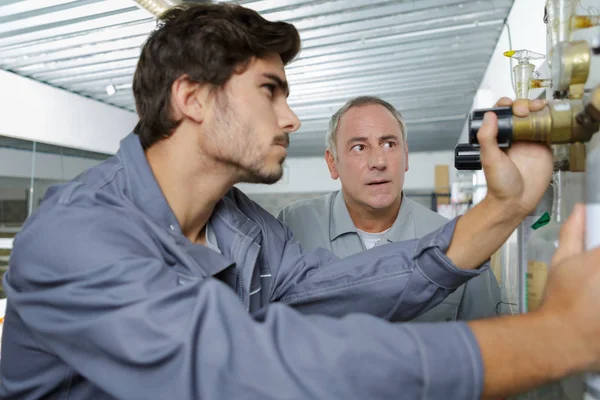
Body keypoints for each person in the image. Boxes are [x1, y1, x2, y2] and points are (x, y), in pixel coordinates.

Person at [0, 3, 599, 400]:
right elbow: (248, 371)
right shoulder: (76, 238)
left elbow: (349, 286)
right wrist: (555, 336)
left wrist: (502, 208)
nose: (290, 117)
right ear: (192, 98)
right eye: (269, 91)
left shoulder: (242, 227)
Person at [278, 96, 501, 322]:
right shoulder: (292, 226)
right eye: (359, 147)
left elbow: (491, 341)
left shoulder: (455, 240)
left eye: (389, 144)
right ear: (332, 163)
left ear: (405, 157)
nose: (378, 161)